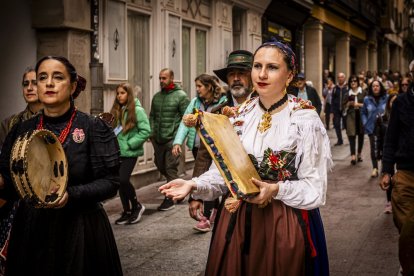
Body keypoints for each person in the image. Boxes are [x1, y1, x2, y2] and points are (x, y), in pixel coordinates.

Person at [160, 39, 332, 275]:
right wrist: (193, 184)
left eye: (272, 67)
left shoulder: (304, 120)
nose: (262, 74)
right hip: (238, 221)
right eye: (257, 66)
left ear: (289, 75)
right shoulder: (239, 116)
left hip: (285, 222)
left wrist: (276, 190)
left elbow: (315, 188)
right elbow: (226, 173)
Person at [0, 56, 122, 275]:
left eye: (58, 77)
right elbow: (10, 184)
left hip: (81, 230)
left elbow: (111, 182)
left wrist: (71, 195)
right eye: (42, 77)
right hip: (32, 230)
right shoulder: (20, 130)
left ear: (73, 85)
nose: (49, 83)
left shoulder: (93, 127)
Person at [188, 50, 255, 232]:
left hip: (261, 196)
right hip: (228, 196)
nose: (236, 78)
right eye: (231, 74)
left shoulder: (264, 109)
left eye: (241, 73)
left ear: (252, 77)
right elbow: (204, 155)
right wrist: (196, 195)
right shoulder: (216, 113)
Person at [380, 81, 414, 276]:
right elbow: (390, 139)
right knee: (408, 224)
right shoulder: (401, 102)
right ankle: (408, 268)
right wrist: (386, 170)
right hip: (406, 174)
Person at [149, 68, 190, 211]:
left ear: (172, 78)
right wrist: (152, 134)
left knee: (170, 168)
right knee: (160, 166)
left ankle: (170, 199)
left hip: (172, 140)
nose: (161, 81)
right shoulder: (157, 97)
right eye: (160, 78)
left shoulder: (181, 96)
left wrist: (179, 139)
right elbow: (152, 116)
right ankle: (179, 188)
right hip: (158, 140)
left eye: (164, 78)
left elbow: (187, 118)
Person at [110, 83, 150, 225]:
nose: (119, 96)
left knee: (123, 180)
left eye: (122, 93)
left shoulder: (137, 110)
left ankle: (137, 206)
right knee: (119, 183)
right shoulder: (117, 109)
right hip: (118, 152)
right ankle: (127, 211)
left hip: (130, 152)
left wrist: (130, 143)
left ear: (129, 94)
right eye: (118, 93)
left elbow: (146, 131)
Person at [0, 67, 43, 151]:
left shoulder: (54, 120)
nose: (29, 88)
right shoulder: (8, 123)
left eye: (35, 83)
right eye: (25, 84)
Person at [375, 93, 397, 214]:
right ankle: (389, 201)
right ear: (388, 103)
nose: (394, 104)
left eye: (396, 101)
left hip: (400, 153)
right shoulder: (382, 118)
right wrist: (377, 152)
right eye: (392, 101)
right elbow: (379, 138)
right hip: (387, 152)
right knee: (388, 175)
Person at [361, 80, 387, 177]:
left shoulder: (386, 98)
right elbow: (363, 112)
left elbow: (389, 110)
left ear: (380, 87)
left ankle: (384, 169)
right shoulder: (367, 99)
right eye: (373, 86)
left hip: (384, 127)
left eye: (377, 86)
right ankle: (375, 168)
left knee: (384, 147)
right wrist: (365, 122)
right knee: (373, 148)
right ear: (371, 88)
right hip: (372, 127)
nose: (375, 87)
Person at [344, 75, 366, 165]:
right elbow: (342, 107)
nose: (353, 83)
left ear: (358, 82)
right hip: (351, 117)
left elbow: (368, 104)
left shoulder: (363, 92)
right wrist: (348, 104)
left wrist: (358, 104)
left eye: (355, 81)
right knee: (351, 136)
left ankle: (359, 154)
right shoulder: (347, 94)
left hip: (361, 116)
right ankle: (353, 156)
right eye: (351, 81)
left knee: (361, 136)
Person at [332, 72, 348, 146]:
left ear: (344, 78)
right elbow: (332, 99)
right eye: (339, 77)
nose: (340, 78)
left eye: (342, 77)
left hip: (345, 110)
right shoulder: (335, 88)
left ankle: (350, 139)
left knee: (347, 125)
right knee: (337, 124)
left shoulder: (347, 87)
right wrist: (332, 111)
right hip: (337, 110)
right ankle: (340, 140)